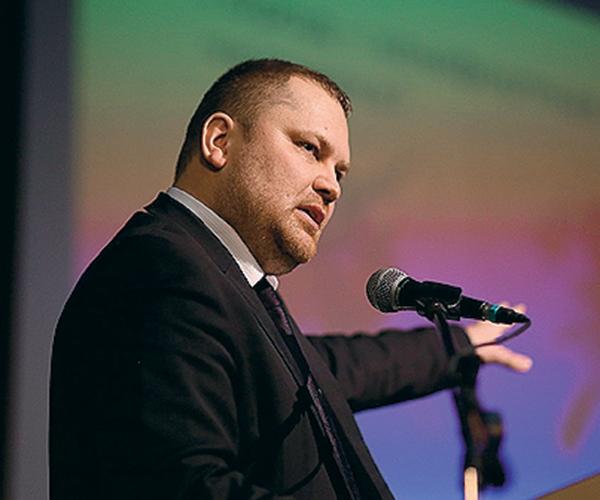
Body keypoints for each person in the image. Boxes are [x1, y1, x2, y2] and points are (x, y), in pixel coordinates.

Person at [49, 59, 532, 499]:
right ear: (219, 142)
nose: (332, 186)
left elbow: (325, 370)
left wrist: (457, 345)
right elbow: (182, 487)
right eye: (309, 148)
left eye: (340, 171)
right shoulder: (159, 270)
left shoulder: (213, 279)